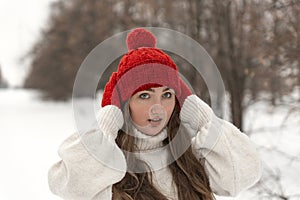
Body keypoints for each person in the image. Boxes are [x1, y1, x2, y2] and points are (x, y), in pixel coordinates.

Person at [48, 28, 262, 200]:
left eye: (167, 95)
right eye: (144, 96)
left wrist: (202, 117)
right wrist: (107, 120)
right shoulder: (108, 167)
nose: (158, 108)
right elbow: (70, 185)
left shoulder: (190, 156)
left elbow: (243, 173)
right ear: (124, 103)